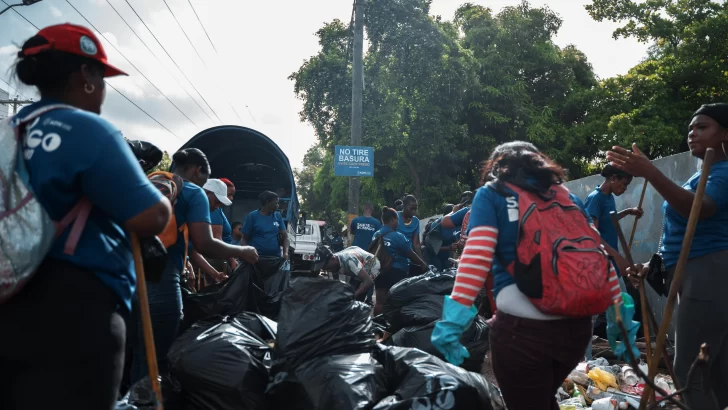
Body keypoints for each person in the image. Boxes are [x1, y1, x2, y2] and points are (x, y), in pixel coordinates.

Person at [0, 24, 172, 410]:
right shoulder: (88, 130)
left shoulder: (9, 129)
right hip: (74, 314)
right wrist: (163, 196)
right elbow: (150, 217)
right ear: (85, 76)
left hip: (8, 298)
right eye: (102, 77)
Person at [431, 141, 622, 410]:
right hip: (577, 332)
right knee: (541, 399)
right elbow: (596, 252)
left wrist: (452, 324)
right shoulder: (568, 197)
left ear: (498, 167)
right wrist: (619, 309)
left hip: (523, 334)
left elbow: (475, 259)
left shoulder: (492, 194)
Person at [609, 103, 728, 410]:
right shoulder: (702, 173)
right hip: (690, 272)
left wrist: (651, 171)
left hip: (708, 272)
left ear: (726, 133)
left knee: (689, 368)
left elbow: (699, 209)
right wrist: (652, 266)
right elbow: (679, 232)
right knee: (711, 369)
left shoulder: (724, 172)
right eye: (691, 128)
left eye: (703, 127)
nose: (693, 133)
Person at [131, 148, 258, 384]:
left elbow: (190, 249)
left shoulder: (148, 182)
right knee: (157, 361)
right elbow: (205, 243)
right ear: (199, 171)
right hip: (161, 282)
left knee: (136, 354)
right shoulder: (193, 193)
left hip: (129, 279)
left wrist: (212, 273)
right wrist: (243, 251)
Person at [585, 164, 643, 281]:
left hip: (612, 261)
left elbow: (610, 219)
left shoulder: (609, 197)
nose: (625, 188)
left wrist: (628, 211)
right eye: (625, 184)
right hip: (602, 265)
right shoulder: (595, 199)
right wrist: (616, 256)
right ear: (613, 178)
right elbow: (593, 236)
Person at [372, 207, 428, 315]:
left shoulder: (376, 235)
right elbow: (411, 255)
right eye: (397, 220)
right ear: (393, 219)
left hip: (379, 271)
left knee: (379, 302)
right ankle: (392, 328)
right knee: (397, 302)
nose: (398, 223)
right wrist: (422, 263)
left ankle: (376, 326)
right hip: (397, 272)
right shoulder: (398, 236)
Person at [313, 244, 379, 301]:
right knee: (349, 291)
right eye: (322, 268)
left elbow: (369, 282)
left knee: (358, 296)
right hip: (357, 265)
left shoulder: (349, 261)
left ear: (333, 259)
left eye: (325, 266)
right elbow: (336, 284)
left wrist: (354, 296)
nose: (325, 269)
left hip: (371, 264)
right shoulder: (333, 263)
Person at [242, 191, 290, 259]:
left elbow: (285, 237)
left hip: (274, 258)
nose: (278, 205)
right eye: (276, 203)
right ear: (267, 202)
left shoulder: (277, 216)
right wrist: (246, 253)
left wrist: (285, 253)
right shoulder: (252, 216)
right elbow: (244, 238)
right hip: (256, 258)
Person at [398, 195, 425, 276]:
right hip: (395, 258)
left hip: (409, 258)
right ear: (404, 206)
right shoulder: (395, 217)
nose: (414, 211)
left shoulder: (416, 221)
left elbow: (416, 244)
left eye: (415, 209)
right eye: (411, 208)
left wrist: (421, 262)